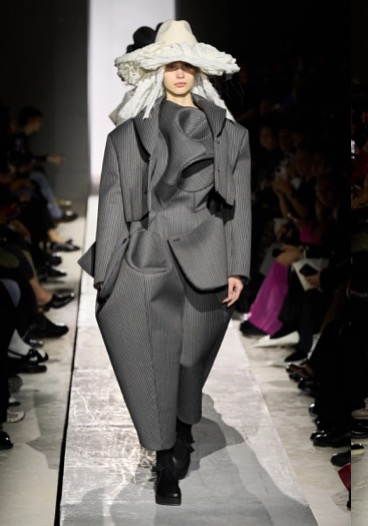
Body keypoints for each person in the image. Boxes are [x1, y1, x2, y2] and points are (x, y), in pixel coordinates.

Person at [77, 19, 250, 506]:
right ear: (157, 70)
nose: (179, 73)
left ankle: (183, 425)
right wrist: (106, 273)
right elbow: (113, 204)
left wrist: (237, 265)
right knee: (150, 359)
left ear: (199, 72)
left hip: (207, 257)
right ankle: (164, 459)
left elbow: (238, 206)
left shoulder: (231, 136)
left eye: (187, 65)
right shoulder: (127, 136)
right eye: (171, 65)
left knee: (191, 359)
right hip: (147, 256)